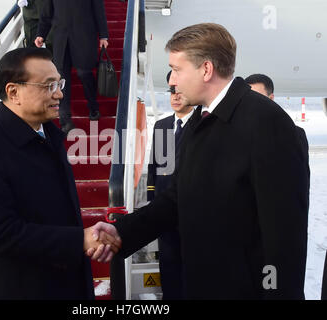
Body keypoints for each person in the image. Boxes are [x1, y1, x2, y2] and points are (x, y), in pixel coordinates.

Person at [89, 23, 309, 299]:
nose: (171, 81)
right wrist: (120, 232)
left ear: (206, 69)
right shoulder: (200, 120)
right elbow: (177, 199)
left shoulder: (268, 124)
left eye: (177, 70)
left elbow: (284, 238)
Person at [0, 48, 119, 300]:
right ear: (13, 92)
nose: (60, 93)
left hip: (70, 283)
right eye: (48, 86)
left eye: (59, 83)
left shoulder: (50, 135)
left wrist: (85, 238)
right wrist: (79, 240)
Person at [147, 71, 194, 299]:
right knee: (169, 269)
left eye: (179, 91)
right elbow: (155, 167)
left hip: (192, 215)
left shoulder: (202, 126)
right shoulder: (162, 126)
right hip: (165, 213)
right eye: (171, 91)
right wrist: (151, 201)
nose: (174, 96)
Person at [34, 0, 109, 134]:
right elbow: (47, 13)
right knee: (61, 77)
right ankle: (65, 120)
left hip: (84, 36)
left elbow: (99, 10)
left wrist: (103, 35)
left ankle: (93, 107)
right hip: (61, 38)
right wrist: (41, 34)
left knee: (83, 73)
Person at [245, 73, 310, 205]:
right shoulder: (232, 132)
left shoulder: (293, 135)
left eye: (257, 97)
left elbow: (298, 187)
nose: (251, 103)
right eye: (247, 98)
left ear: (271, 98)